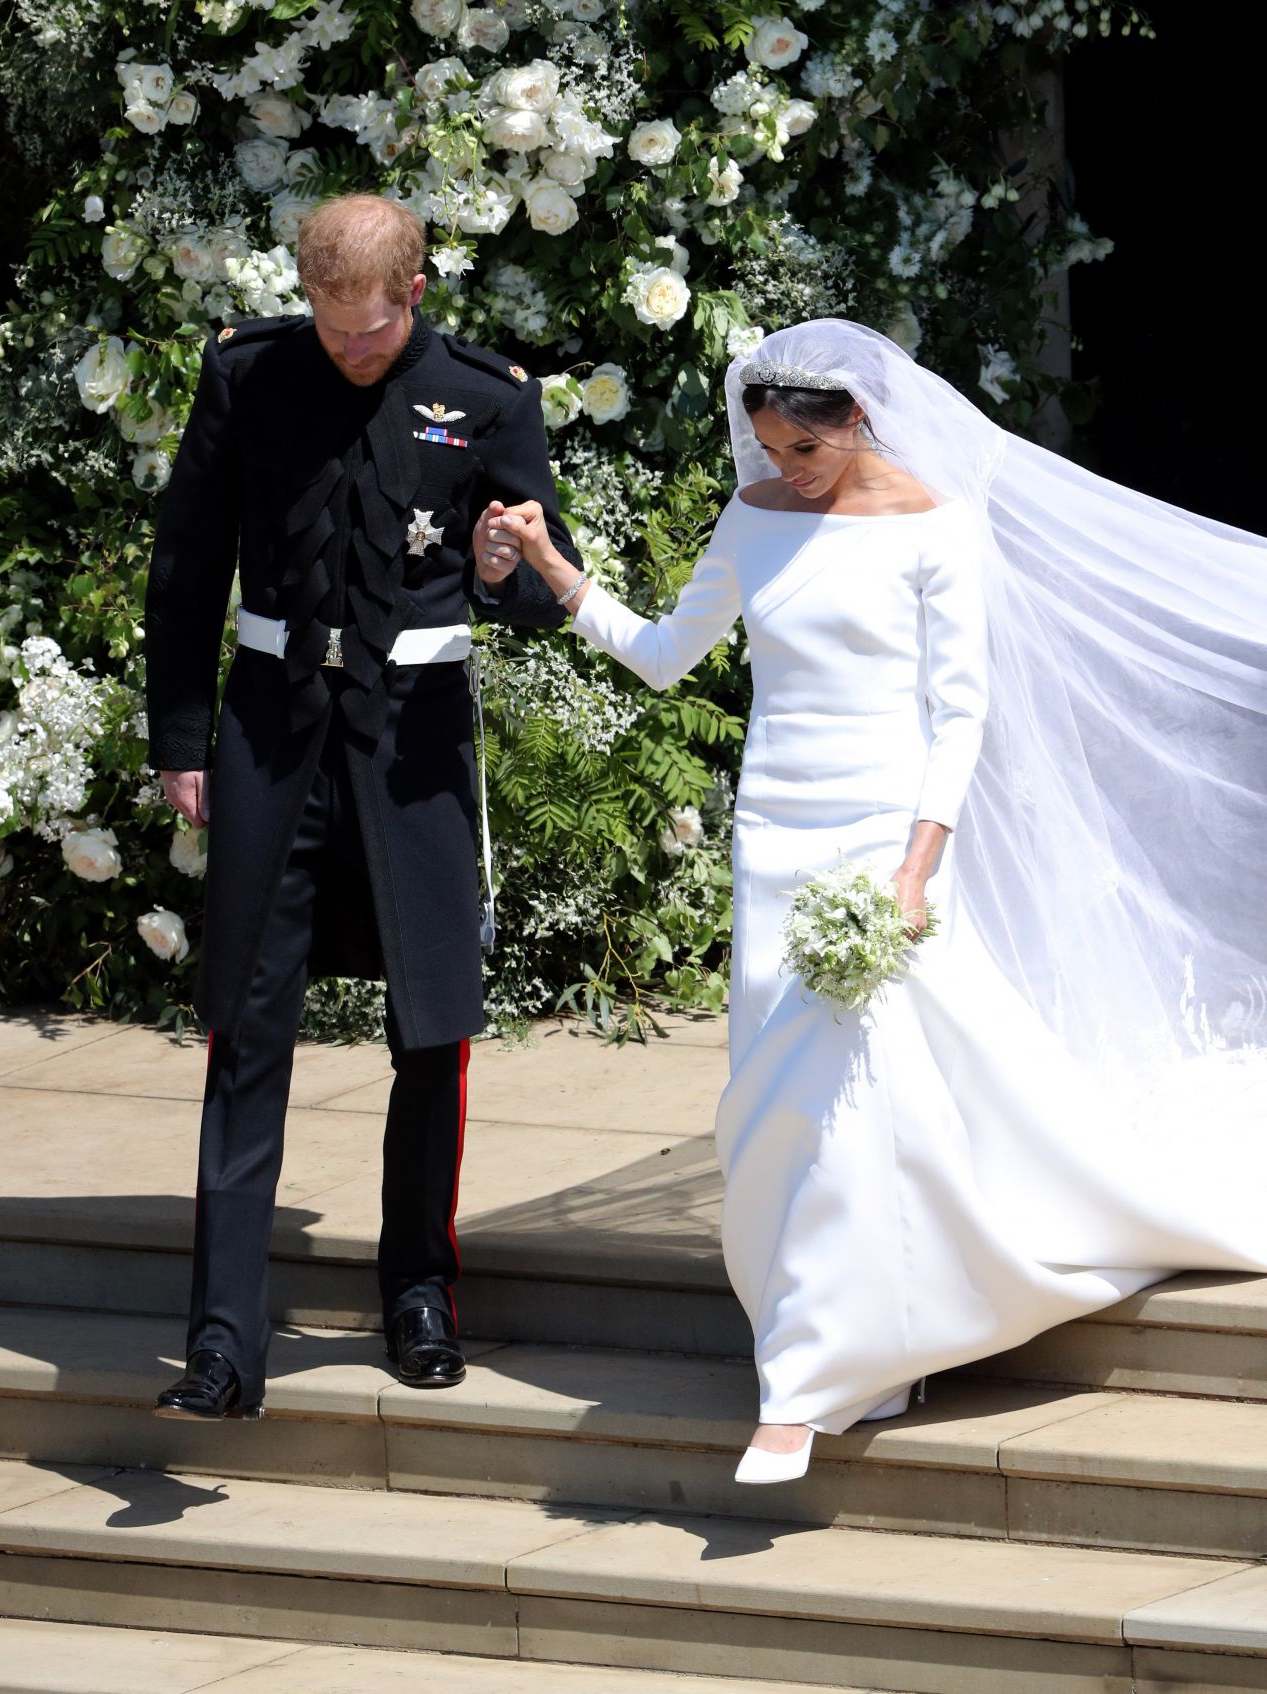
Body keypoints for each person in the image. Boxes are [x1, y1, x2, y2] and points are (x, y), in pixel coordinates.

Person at [478, 318, 1267, 1482]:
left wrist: (913, 867)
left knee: (846, 1088)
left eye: (801, 446)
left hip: (877, 833)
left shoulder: (935, 526)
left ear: (857, 420)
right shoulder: (752, 521)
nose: (780, 466)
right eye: (764, 445)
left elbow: (960, 711)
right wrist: (550, 563)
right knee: (785, 1087)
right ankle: (871, 1330)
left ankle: (807, 1378)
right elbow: (659, 653)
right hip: (772, 834)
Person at [145, 194, 580, 1420]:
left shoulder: (490, 397)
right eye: (331, 326)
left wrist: (506, 570)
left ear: (417, 294)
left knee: (429, 1026)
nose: (349, 350)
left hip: (413, 745)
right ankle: (224, 1342)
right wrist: (180, 735)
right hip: (270, 735)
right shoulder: (249, 373)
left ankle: (419, 1292)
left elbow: (538, 588)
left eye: (372, 331)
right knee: (245, 1022)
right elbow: (188, 558)